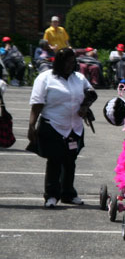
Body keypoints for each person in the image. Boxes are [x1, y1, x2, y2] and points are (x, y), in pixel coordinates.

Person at [28, 48, 96, 208]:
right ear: (58, 62)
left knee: (70, 161)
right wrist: (31, 126)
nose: (69, 65)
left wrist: (85, 106)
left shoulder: (78, 78)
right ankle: (51, 195)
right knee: (55, 160)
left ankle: (68, 193)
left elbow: (91, 93)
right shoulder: (45, 78)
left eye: (72, 62)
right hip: (53, 125)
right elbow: (37, 104)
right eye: (66, 62)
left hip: (74, 127)